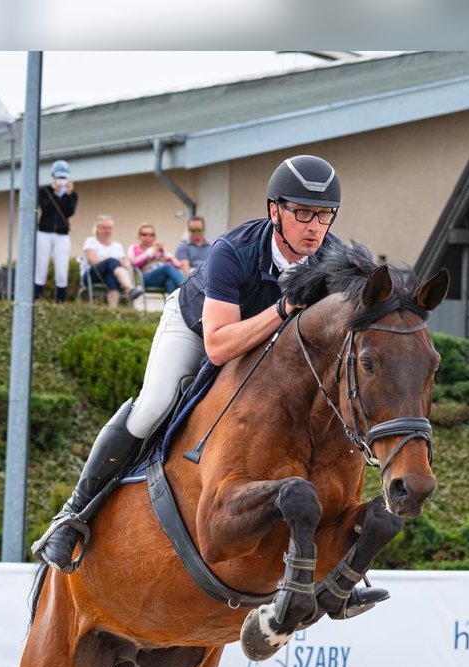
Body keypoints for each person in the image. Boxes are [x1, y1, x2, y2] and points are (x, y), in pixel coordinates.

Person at [37, 154, 343, 572]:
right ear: (275, 210)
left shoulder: (334, 257)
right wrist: (283, 308)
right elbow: (218, 347)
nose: (315, 227)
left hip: (273, 349)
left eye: (324, 216)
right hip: (198, 329)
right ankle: (72, 516)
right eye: (303, 213)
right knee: (153, 407)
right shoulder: (233, 251)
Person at [35, 159, 77, 302]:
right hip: (44, 232)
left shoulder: (73, 195)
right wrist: (55, 194)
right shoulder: (44, 191)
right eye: (59, 177)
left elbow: (69, 212)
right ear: (53, 177)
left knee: (61, 269)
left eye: (64, 178)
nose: (61, 181)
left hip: (62, 234)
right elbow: (46, 208)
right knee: (41, 266)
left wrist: (67, 195)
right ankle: (37, 297)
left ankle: (60, 300)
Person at [82, 215, 143, 308]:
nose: (107, 230)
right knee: (111, 261)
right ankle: (130, 288)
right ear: (97, 229)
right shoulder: (91, 241)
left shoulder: (117, 246)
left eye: (109, 228)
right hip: (92, 275)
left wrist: (124, 262)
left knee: (111, 276)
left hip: (110, 275)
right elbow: (92, 261)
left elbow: (125, 263)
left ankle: (112, 310)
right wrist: (111, 263)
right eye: (104, 228)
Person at [128, 223, 186, 295]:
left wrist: (165, 254)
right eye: (144, 234)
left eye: (151, 235)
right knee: (167, 267)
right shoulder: (134, 247)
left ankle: (174, 305)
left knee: (170, 282)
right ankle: (188, 288)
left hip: (162, 277)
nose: (147, 237)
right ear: (139, 236)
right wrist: (151, 251)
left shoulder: (160, 249)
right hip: (145, 278)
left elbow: (177, 266)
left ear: (154, 237)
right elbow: (134, 263)